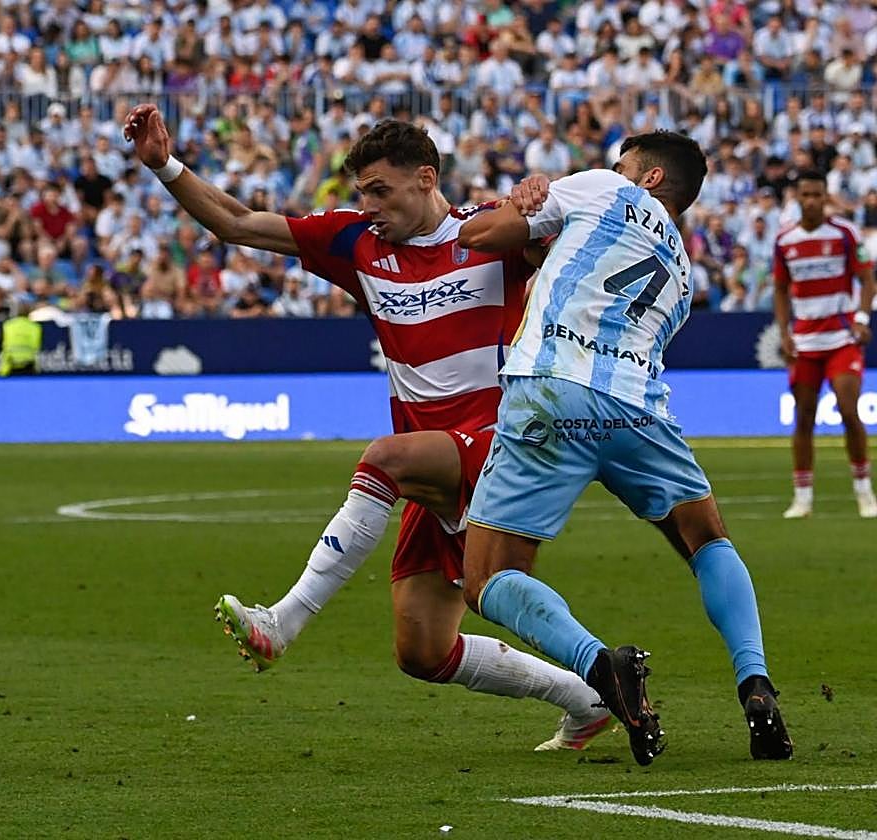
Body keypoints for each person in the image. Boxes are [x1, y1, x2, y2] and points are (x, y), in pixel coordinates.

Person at [124, 104, 613, 752]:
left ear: (426, 179)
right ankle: (588, 697)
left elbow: (584, 227)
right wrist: (165, 165)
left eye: (381, 191)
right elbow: (237, 222)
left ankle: (282, 621)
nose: (370, 206)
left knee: (384, 459)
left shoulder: (490, 233)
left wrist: (543, 192)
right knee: (422, 649)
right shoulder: (356, 244)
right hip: (433, 466)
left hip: (499, 443)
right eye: (362, 194)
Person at [454, 132, 793, 766]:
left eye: (624, 163)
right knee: (706, 540)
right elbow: (561, 260)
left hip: (553, 394)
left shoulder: (606, 188)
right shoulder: (683, 277)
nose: (614, 170)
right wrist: (540, 232)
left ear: (651, 179)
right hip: (638, 408)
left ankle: (600, 666)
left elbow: (482, 236)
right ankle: (756, 684)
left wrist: (518, 200)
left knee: (487, 578)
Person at [773, 170, 876, 519]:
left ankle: (864, 491)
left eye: (818, 195)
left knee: (849, 410)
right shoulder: (785, 240)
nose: (812, 201)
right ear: (797, 198)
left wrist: (862, 320)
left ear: (826, 196)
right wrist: (784, 332)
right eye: (806, 195)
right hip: (805, 341)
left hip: (842, 337)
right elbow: (780, 288)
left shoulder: (845, 233)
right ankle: (802, 497)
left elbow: (866, 278)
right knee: (804, 417)